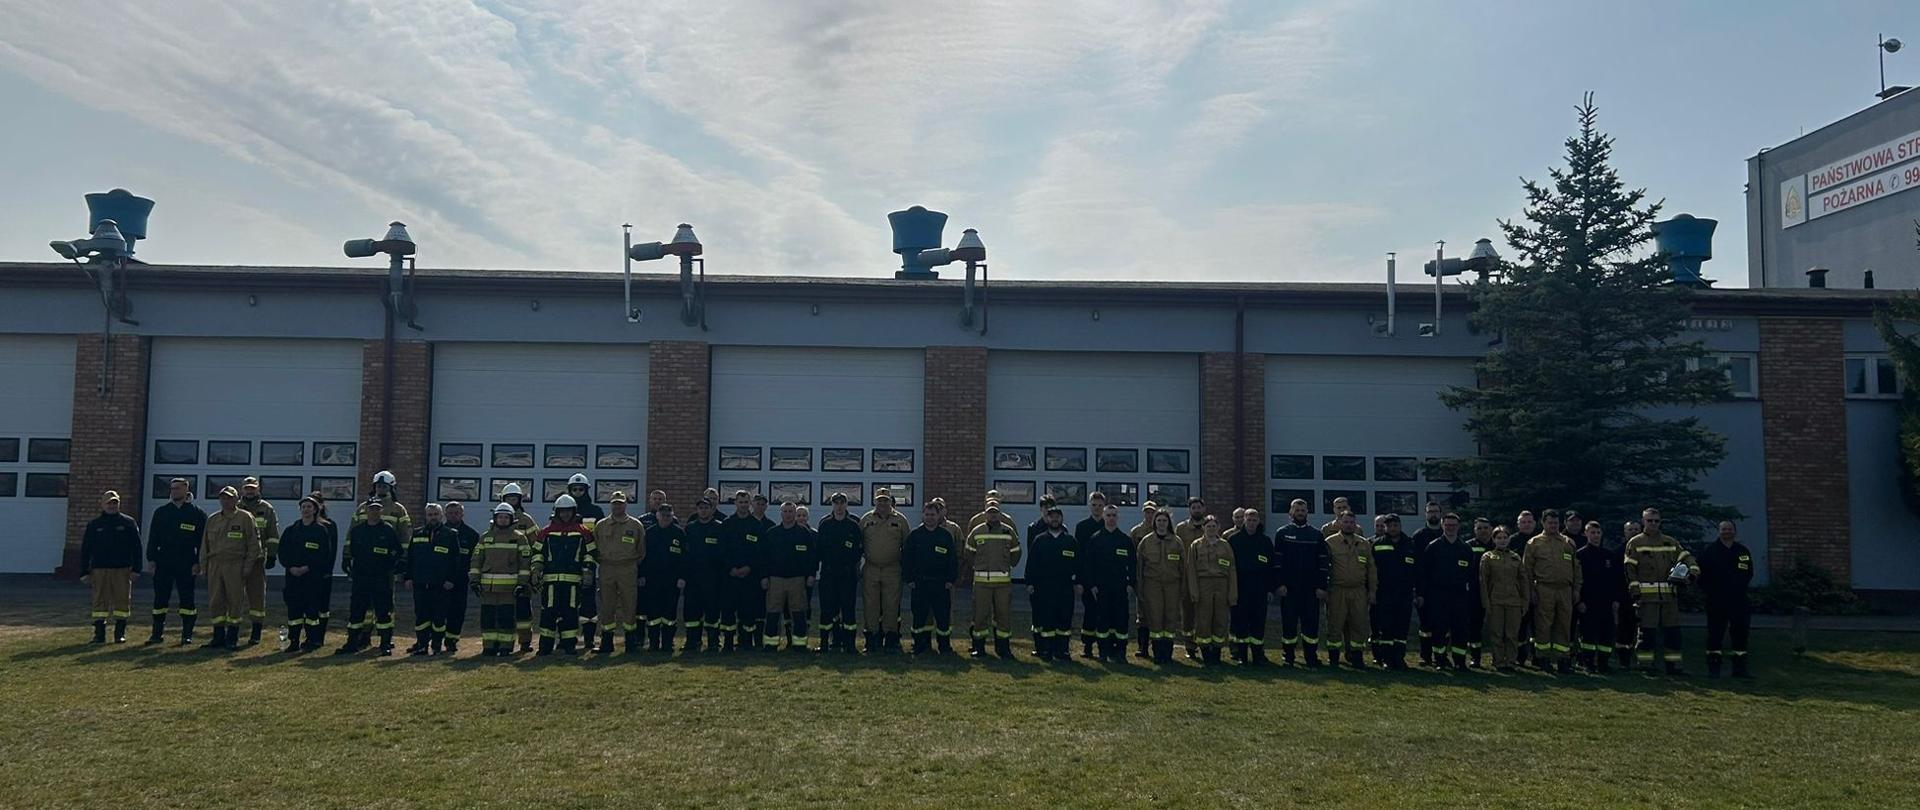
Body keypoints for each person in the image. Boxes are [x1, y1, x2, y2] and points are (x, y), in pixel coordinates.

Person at [1624, 508, 1696, 675]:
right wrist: (1635, 593)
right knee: (1647, 635)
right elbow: (1630, 571)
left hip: (1669, 598)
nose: (1653, 524)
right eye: (1650, 520)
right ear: (1643, 521)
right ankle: (1645, 665)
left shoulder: (1670, 542)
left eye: (1656, 521)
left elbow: (1687, 558)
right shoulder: (1635, 542)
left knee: (1673, 635)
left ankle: (1674, 666)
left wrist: (1692, 574)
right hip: (1647, 599)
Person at [532, 494, 598, 656]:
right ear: (557, 512)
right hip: (550, 581)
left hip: (573, 581)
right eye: (562, 511)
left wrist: (588, 570)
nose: (565, 514)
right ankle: (545, 646)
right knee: (548, 613)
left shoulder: (583, 532)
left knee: (570, 613)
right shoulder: (545, 532)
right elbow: (537, 553)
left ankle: (569, 645)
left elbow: (590, 553)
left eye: (568, 511)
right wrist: (536, 569)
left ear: (574, 512)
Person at [336, 499, 403, 656]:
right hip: (361, 577)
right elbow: (352, 550)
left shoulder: (387, 530)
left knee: (383, 611)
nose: (374, 512)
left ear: (381, 511)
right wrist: (347, 560)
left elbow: (397, 551)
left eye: (377, 509)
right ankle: (352, 642)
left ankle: (385, 644)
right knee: (357, 611)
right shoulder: (358, 531)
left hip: (381, 578)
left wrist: (391, 566)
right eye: (372, 509)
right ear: (366, 511)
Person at [200, 486, 262, 651]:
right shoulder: (213, 519)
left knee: (235, 600)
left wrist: (248, 566)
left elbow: (254, 545)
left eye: (229, 498)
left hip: (235, 564)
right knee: (216, 600)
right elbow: (204, 545)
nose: (225, 501)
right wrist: (204, 565)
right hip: (215, 564)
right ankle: (218, 636)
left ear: (236, 499)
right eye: (223, 498)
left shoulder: (245, 517)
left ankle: (232, 637)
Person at [145, 478, 205, 645]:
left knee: (187, 598)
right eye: (172, 488)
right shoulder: (162, 512)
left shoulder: (196, 513)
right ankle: (156, 634)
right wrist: (151, 559)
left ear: (186, 490)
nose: (174, 491)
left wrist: (198, 562)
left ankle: (187, 634)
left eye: (177, 488)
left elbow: (202, 542)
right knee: (160, 598)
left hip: (186, 562)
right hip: (164, 561)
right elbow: (153, 538)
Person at [1523, 509, 1582, 674]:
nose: (1553, 526)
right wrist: (1531, 591)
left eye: (1556, 523)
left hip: (1565, 590)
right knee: (1544, 625)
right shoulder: (1534, 543)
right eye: (1550, 523)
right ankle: (1543, 659)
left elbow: (1576, 569)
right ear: (1543, 523)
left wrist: (1576, 589)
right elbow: (1527, 570)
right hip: (1544, 588)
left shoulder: (1568, 543)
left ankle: (1563, 659)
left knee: (1564, 625)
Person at [471, 503, 532, 657]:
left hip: (509, 589)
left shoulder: (519, 538)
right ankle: (489, 646)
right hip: (488, 589)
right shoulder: (485, 537)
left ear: (511, 519)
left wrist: (522, 583)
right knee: (488, 618)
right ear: (495, 518)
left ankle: (506, 646)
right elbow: (476, 561)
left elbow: (525, 563)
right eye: (500, 517)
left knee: (506, 618)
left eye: (506, 517)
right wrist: (474, 581)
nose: (503, 520)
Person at [1274, 498, 1330, 666]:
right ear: (1291, 512)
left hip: (1311, 590)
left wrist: (1322, 586)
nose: (1300, 513)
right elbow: (1277, 562)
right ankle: (1288, 656)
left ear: (1307, 513)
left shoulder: (1316, 534)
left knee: (1311, 624)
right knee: (1289, 624)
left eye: (1303, 510)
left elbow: (1323, 563)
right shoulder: (1282, 533)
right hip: (1289, 589)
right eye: (1297, 510)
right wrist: (1279, 584)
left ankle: (1311, 657)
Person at [80, 491, 141, 644]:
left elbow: (137, 548)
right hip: (99, 570)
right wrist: (84, 572)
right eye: (109, 503)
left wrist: (137, 569)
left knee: (122, 602)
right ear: (102, 504)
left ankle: (119, 634)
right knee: (99, 602)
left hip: (122, 569)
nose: (112, 506)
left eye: (115, 503)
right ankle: (99, 635)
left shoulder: (128, 523)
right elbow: (85, 550)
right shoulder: (94, 525)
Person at [401, 503, 461, 656]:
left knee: (439, 618)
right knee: (421, 617)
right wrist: (408, 577)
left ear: (441, 516)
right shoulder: (417, 533)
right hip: (420, 583)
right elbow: (411, 558)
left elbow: (455, 560)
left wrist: (451, 579)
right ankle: (422, 645)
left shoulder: (450, 534)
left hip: (441, 585)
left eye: (435, 514)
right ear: (426, 516)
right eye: (430, 514)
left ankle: (436, 645)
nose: (433, 517)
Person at [278, 496, 337, 653]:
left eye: (309, 507)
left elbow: (325, 554)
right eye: (303, 507)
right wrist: (291, 567)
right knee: (294, 611)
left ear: (315, 510)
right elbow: (282, 552)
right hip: (293, 579)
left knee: (312, 611)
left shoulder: (321, 531)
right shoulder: (291, 530)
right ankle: (293, 641)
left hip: (312, 578)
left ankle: (312, 640)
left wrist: (308, 567)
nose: (306, 510)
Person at [1698, 520, 1755, 679]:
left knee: (1740, 634)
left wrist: (1738, 587)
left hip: (1739, 600)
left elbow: (1748, 573)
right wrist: (1710, 591)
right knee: (1715, 634)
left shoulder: (1742, 551)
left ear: (1734, 531)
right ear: (1719, 531)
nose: (1727, 532)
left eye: (1729, 529)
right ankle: (1713, 669)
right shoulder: (1710, 551)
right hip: (1716, 601)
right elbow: (1700, 574)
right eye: (1724, 529)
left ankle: (1740, 669)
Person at [1416, 513, 1474, 669]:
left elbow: (1471, 574)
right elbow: (1424, 572)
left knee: (1460, 629)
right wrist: (1422, 593)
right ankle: (1440, 660)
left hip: (1459, 597)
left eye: (1453, 525)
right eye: (1447, 525)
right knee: (1439, 629)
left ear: (1458, 526)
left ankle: (1460, 662)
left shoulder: (1465, 548)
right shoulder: (1433, 547)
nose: (1450, 528)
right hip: (1438, 596)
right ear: (1442, 525)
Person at [964, 504, 1022, 659]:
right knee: (980, 615)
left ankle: (1003, 648)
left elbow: (1016, 552)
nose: (993, 515)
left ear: (1000, 514)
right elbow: (968, 552)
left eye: (996, 513)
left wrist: (1007, 565)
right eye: (990, 513)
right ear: (985, 514)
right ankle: (979, 647)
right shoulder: (977, 532)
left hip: (1003, 585)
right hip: (982, 584)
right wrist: (977, 566)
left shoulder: (1008, 531)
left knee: (1003, 616)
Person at [592, 492, 647, 653]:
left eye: (620, 503)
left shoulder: (635, 525)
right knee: (607, 605)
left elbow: (641, 550)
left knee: (629, 604)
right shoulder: (601, 525)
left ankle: (630, 642)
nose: (617, 506)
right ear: (611, 505)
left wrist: (630, 563)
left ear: (626, 505)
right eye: (615, 503)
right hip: (606, 568)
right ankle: (606, 642)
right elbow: (594, 547)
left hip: (628, 568)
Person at [860, 489, 913, 654]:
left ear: (891, 502)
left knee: (891, 605)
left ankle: (891, 639)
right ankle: (872, 638)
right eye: (879, 500)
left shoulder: (900, 520)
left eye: (885, 500)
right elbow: (859, 542)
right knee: (871, 605)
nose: (882, 504)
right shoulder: (866, 519)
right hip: (871, 568)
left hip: (892, 569)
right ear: (875, 502)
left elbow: (907, 545)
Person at [762, 501, 818, 652]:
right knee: (773, 612)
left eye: (791, 511)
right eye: (785, 511)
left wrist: (811, 575)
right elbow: (764, 557)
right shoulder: (772, 533)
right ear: (781, 513)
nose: (788, 514)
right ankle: (770, 644)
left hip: (797, 579)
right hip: (776, 579)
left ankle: (799, 644)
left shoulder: (804, 533)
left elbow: (812, 557)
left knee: (799, 613)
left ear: (795, 513)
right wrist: (764, 577)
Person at [1081, 505, 1135, 663]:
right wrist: (1092, 585)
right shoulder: (1095, 539)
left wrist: (1130, 584)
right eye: (1108, 515)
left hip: (1120, 588)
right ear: (1104, 517)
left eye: (1114, 515)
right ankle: (1103, 651)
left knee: (1121, 620)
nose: (1111, 518)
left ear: (1118, 517)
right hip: (1101, 588)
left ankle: (1121, 652)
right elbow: (1088, 565)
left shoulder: (1125, 540)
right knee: (1102, 620)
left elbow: (1133, 564)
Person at [903, 504, 959, 655]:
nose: (929, 517)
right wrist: (909, 579)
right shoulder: (915, 535)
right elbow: (906, 559)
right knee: (919, 616)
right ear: (923, 515)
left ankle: (944, 646)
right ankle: (919, 645)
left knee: (942, 617)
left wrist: (950, 580)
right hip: (919, 584)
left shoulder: (945, 536)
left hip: (941, 584)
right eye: (927, 514)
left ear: (938, 516)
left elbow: (952, 560)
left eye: (932, 515)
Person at [1027, 506, 1079, 662]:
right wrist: (1030, 582)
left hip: (1065, 588)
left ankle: (1062, 650)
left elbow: (1079, 564)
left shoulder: (1070, 541)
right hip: (1044, 588)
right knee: (1046, 619)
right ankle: (1046, 650)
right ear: (1047, 519)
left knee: (1064, 618)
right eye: (1051, 516)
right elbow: (1031, 564)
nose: (1054, 519)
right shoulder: (1039, 540)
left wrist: (1078, 582)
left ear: (1062, 519)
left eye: (1057, 516)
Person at [1185, 515, 1238, 666]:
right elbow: (1191, 570)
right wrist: (1194, 591)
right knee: (1204, 619)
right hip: (1203, 584)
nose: (1211, 529)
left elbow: (1232, 570)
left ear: (1218, 527)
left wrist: (1232, 593)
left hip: (1222, 584)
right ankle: (1205, 652)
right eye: (1208, 526)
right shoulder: (1196, 545)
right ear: (1203, 528)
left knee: (1221, 619)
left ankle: (1216, 652)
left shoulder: (1225, 546)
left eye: (1214, 526)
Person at [1369, 513, 1420, 670]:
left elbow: (1418, 571)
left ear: (1400, 526)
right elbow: (1371, 570)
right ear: (1385, 527)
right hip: (1384, 594)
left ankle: (1399, 658)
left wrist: (1418, 592)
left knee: (1402, 628)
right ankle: (1387, 659)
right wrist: (1372, 591)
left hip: (1404, 594)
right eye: (1389, 525)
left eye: (1395, 525)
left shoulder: (1410, 544)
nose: (1392, 528)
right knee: (1386, 627)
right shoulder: (1377, 545)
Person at [1135, 511, 1187, 664]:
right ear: (1154, 523)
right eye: (1159, 520)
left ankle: (1167, 653)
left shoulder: (1176, 542)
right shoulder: (1146, 542)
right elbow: (1139, 567)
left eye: (1164, 520)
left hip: (1172, 585)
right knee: (1155, 617)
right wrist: (1140, 588)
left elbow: (1183, 567)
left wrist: (1183, 588)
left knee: (1170, 617)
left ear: (1168, 523)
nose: (1162, 523)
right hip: (1152, 585)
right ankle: (1158, 652)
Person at [815, 492, 863, 653]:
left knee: (848, 610)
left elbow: (859, 550)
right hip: (828, 574)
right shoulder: (825, 524)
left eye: (842, 502)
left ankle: (850, 644)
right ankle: (826, 643)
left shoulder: (853, 525)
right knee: (827, 610)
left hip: (847, 575)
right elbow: (819, 549)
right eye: (836, 503)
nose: (839, 506)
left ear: (846, 504)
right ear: (832, 505)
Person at [1574, 520, 1625, 673]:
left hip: (1606, 602)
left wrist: (1615, 600)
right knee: (1588, 633)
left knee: (1607, 634)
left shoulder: (1609, 555)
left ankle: (1603, 663)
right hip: (1588, 602)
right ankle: (1587, 662)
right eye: (1592, 533)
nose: (1595, 536)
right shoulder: (1580, 555)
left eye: (1598, 533)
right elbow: (1576, 580)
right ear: (1586, 534)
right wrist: (1579, 601)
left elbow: (1616, 579)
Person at [1226, 507, 1274, 665]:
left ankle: (1258, 655)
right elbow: (1229, 567)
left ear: (1258, 521)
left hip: (1260, 589)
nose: (1252, 523)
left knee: (1258, 623)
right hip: (1240, 588)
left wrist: (1270, 589)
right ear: (1243, 521)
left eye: (1254, 520)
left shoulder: (1265, 541)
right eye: (1249, 520)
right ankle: (1241, 655)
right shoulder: (1234, 540)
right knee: (1240, 622)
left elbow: (1270, 568)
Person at [236, 477, 280, 646]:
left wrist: (272, 556)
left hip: (257, 560)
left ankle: (255, 632)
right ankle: (232, 631)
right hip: (237, 559)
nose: (249, 491)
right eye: (247, 488)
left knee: (257, 596)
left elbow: (273, 534)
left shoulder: (266, 509)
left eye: (252, 488)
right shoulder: (235, 507)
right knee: (233, 596)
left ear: (258, 489)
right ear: (242, 489)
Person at [565, 474, 606, 647]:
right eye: (574, 489)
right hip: (567, 563)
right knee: (566, 602)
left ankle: (589, 638)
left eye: (581, 489)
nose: (577, 492)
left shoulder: (596, 511)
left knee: (588, 603)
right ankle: (567, 638)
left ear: (586, 490)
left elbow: (601, 537)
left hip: (587, 563)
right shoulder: (563, 509)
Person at [681, 497, 726, 652]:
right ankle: (692, 641)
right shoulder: (690, 528)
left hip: (713, 579)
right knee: (692, 611)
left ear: (712, 509)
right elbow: (685, 554)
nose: (703, 510)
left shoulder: (719, 527)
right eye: (701, 508)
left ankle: (713, 642)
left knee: (712, 611)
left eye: (706, 508)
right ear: (697, 510)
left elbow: (723, 553)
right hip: (693, 578)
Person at [639, 502, 685, 652]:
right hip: (652, 580)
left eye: (668, 515)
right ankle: (653, 643)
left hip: (672, 581)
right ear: (657, 516)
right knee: (653, 613)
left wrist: (682, 577)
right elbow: (643, 557)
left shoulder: (679, 533)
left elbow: (685, 558)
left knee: (670, 613)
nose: (665, 518)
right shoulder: (649, 533)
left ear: (672, 516)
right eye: (663, 515)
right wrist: (642, 575)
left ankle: (667, 643)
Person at [1480, 526, 1527, 673]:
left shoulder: (1515, 557)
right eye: (1499, 538)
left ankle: (1511, 661)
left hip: (1514, 601)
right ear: (1493, 540)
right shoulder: (1488, 557)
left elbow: (1523, 580)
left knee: (1512, 634)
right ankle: (1499, 661)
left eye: (1505, 537)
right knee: (1497, 633)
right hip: (1495, 601)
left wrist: (1524, 601)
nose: (1502, 541)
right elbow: (1483, 581)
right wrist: (1486, 602)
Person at [500, 483, 540, 653]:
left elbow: (536, 544)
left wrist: (533, 569)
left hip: (522, 573)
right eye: (509, 498)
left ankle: (525, 641)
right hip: (503, 573)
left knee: (523, 609)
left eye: (514, 498)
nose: (511, 501)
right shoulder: (498, 518)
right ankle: (504, 643)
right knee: (505, 610)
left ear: (519, 500)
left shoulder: (526, 520)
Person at [1072, 491, 1110, 658]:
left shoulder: (1108, 525)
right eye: (1094, 505)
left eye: (1100, 505)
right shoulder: (1082, 527)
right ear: (1089, 505)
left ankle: (1104, 647)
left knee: (1105, 613)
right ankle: (1087, 646)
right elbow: (1079, 555)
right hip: (1087, 578)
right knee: (1090, 613)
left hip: (1105, 578)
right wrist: (1079, 581)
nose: (1097, 508)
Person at [1408, 501, 1445, 665]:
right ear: (1426, 514)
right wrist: (1418, 591)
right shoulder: (1419, 536)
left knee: (1443, 624)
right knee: (1425, 625)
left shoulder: (1447, 534)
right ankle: (1425, 656)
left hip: (1443, 588)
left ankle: (1441, 656)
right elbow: (1415, 565)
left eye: (1435, 511)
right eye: (1430, 512)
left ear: (1440, 514)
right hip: (1425, 588)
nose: (1433, 514)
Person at [441, 501, 480, 653]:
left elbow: (475, 559)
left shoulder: (471, 535)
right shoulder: (439, 532)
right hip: (440, 580)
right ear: (445, 514)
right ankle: (436, 640)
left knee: (457, 612)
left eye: (456, 513)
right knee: (438, 611)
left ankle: (452, 640)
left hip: (460, 581)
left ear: (462, 514)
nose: (453, 516)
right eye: (450, 513)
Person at [1173, 497, 1208, 659]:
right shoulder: (1181, 528)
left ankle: (1205, 644)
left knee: (1205, 612)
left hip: (1205, 577)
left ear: (1203, 509)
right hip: (1187, 577)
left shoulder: (1210, 526)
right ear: (1189, 510)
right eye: (1193, 508)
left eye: (1199, 507)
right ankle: (1189, 645)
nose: (1196, 510)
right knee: (1188, 613)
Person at [1128, 502, 1159, 659]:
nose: (1149, 515)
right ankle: (1143, 647)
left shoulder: (1161, 530)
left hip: (1158, 578)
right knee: (1142, 615)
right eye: (1147, 512)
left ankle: (1158, 646)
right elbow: (1132, 555)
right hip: (1142, 577)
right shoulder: (1136, 531)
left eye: (1152, 512)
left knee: (1158, 613)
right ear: (1143, 513)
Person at [1462, 517, 1492, 667]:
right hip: (1474, 592)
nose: (1483, 531)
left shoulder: (1498, 544)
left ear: (1491, 529)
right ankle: (1475, 657)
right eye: (1479, 528)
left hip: (1495, 591)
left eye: (1485, 528)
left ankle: (1500, 657)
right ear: (1474, 530)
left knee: (1498, 626)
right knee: (1474, 625)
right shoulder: (1468, 546)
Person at [1512, 510, 1539, 666]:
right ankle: (1520, 657)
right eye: (1523, 522)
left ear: (1534, 524)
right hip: (1518, 590)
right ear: (1518, 524)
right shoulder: (1512, 541)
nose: (1527, 525)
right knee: (1520, 625)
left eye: (1529, 522)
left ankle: (1537, 657)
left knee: (1537, 626)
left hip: (1539, 589)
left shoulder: (1540, 541)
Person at [1614, 520, 1642, 670]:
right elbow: (1615, 578)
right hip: (1625, 597)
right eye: (1630, 529)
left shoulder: (1645, 550)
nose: (1633, 532)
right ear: (1624, 532)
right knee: (1624, 628)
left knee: (1643, 629)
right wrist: (1616, 598)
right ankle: (1623, 660)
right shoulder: (1618, 552)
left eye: (1636, 529)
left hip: (1644, 596)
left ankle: (1643, 660)